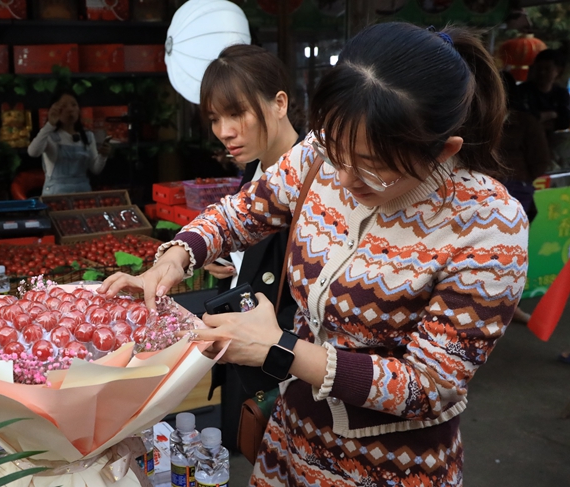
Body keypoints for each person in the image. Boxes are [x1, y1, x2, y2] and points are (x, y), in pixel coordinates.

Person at [101, 22, 528, 486]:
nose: (343, 180)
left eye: (373, 170)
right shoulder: (318, 155)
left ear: (444, 151)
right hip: (291, 439)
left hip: (391, 468)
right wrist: (177, 256)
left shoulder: (487, 227)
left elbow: (430, 386)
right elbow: (240, 213)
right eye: (336, 154)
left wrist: (282, 349)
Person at [195, 44, 303, 448]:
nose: (224, 131)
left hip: (290, 370)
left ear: (279, 103)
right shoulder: (254, 171)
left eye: (237, 113)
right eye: (215, 118)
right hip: (246, 358)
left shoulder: (317, 181)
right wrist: (229, 256)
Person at [500, 70, 551, 324]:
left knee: (510, 254)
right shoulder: (474, 120)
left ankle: (510, 308)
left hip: (515, 190)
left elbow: (540, 160)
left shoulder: (525, 122)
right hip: (481, 189)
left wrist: (518, 179)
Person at [27, 89, 111, 195]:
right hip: (56, 195)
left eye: (74, 105)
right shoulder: (49, 135)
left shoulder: (88, 136)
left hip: (82, 193)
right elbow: (32, 152)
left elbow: (95, 169)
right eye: (64, 106)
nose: (70, 109)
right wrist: (50, 125)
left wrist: (103, 155)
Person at [511, 49, 570, 138]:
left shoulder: (561, 94)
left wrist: (538, 121)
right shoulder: (522, 91)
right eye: (539, 68)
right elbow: (523, 118)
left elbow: (565, 120)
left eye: (547, 69)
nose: (542, 72)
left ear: (558, 71)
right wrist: (552, 114)